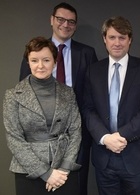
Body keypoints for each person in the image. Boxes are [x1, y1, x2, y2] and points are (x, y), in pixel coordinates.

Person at [19, 3, 98, 195]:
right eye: (61, 19)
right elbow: (24, 94)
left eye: (71, 21)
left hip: (76, 135)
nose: (65, 24)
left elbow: (94, 95)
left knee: (76, 187)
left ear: (75, 25)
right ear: (52, 20)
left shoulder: (87, 53)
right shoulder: (34, 51)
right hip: (40, 138)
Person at [83, 16, 140, 195]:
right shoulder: (93, 71)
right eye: (112, 37)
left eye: (122, 37)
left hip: (136, 156)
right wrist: (105, 138)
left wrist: (122, 135)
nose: (117, 42)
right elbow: (87, 109)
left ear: (130, 40)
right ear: (104, 39)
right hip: (104, 157)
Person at [3, 36, 82, 195]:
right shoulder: (13, 95)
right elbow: (14, 138)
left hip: (64, 172)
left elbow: (75, 130)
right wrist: (45, 173)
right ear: (28, 62)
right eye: (34, 60)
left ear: (54, 62)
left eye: (46, 60)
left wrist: (64, 168)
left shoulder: (68, 93)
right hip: (28, 172)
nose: (40, 66)